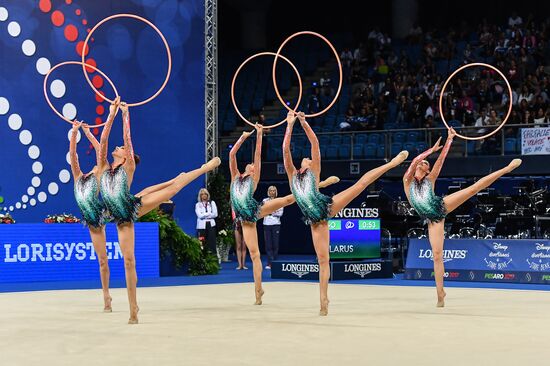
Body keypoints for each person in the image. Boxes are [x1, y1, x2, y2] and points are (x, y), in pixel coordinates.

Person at [100, 101, 221, 324]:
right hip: (120, 214)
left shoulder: (129, 168)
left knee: (130, 260)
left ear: (126, 155)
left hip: (129, 209)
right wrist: (111, 114)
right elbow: (104, 141)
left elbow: (128, 141)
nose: (117, 147)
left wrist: (125, 115)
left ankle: (132, 308)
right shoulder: (105, 169)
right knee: (128, 261)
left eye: (122, 148)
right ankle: (134, 304)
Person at [283, 111, 408, 315]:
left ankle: (392, 163)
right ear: (301, 164)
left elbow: (315, 145)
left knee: (362, 183)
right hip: (316, 222)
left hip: (327, 206)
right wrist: (289, 125)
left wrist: (304, 123)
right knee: (323, 261)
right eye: (305, 158)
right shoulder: (292, 176)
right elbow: (285, 152)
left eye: (309, 159)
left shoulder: (314, 172)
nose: (307, 158)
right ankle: (324, 298)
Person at [403, 128, 521, 307]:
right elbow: (413, 161)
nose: (422, 163)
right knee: (436, 255)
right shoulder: (407, 181)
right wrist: (430, 151)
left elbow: (441, 161)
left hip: (440, 205)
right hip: (432, 220)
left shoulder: (431, 179)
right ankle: (440, 294)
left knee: (473, 189)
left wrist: (450, 139)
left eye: (425, 163)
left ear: (427, 170)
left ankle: (506, 168)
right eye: (422, 162)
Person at [230, 123, 338, 305]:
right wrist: (242, 136)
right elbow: (232, 154)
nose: (250, 164)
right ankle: (258, 290)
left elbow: (257, 154)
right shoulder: (234, 176)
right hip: (245, 218)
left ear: (254, 169)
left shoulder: (254, 177)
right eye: (249, 164)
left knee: (288, 200)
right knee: (255, 255)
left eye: (252, 165)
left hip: (255, 210)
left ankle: (319, 186)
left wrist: (259, 134)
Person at [69, 97, 120, 313]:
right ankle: (106, 294)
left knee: (103, 261)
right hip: (90, 219)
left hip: (97, 216)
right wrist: (74, 134)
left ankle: (107, 296)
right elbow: (73, 156)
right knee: (101, 261)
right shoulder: (77, 175)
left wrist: (88, 133)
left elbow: (101, 149)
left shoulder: (99, 172)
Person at [262, 186, 283, 269]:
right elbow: (263, 211)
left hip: (276, 224)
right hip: (266, 224)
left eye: (274, 190)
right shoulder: (265, 201)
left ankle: (275, 262)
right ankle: (269, 263)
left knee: (275, 244)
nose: (272, 192)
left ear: (276, 192)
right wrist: (272, 211)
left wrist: (270, 212)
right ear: (268, 191)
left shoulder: (279, 200)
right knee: (268, 244)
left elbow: (280, 213)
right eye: (270, 190)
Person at [195, 188, 218, 257]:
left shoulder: (212, 203)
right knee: (202, 243)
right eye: (202, 194)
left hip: (211, 225)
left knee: (212, 242)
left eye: (205, 194)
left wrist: (205, 215)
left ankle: (213, 259)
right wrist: (209, 214)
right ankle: (203, 259)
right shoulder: (198, 204)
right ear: (200, 196)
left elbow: (215, 214)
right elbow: (199, 215)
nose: (204, 196)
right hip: (202, 226)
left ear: (208, 195)